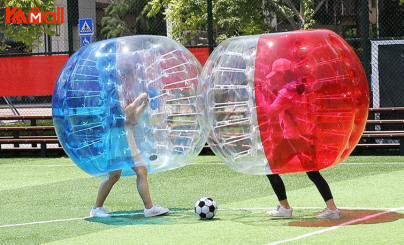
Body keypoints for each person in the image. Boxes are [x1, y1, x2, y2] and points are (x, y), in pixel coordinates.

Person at [256, 58, 340, 219]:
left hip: (293, 139)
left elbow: (270, 111)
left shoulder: (286, 92)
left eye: (276, 75)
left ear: (282, 74)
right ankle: (332, 209)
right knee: (313, 174)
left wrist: (258, 94)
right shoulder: (299, 87)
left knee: (270, 168)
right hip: (306, 136)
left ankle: (285, 208)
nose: (274, 78)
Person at [90, 63, 169, 218]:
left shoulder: (124, 91)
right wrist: (139, 99)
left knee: (115, 175)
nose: (135, 77)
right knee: (140, 169)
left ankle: (97, 208)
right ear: (125, 76)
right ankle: (149, 208)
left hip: (123, 134)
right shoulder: (118, 90)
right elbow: (124, 112)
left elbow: (133, 118)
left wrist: (145, 104)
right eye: (133, 74)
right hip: (121, 136)